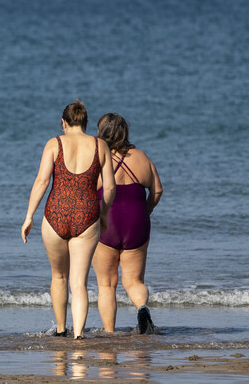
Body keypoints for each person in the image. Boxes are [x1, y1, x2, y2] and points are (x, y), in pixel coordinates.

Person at [21, 100, 115, 339]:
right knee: (79, 282)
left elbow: (42, 182)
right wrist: (103, 214)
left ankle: (61, 329)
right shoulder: (100, 145)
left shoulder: (54, 144)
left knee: (59, 276)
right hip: (87, 215)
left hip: (55, 214)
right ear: (85, 122)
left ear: (63, 122)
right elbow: (110, 188)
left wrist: (29, 216)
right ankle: (79, 335)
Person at [92, 113, 163, 334]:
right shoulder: (141, 157)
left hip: (107, 224)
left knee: (106, 284)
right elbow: (157, 190)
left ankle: (110, 332)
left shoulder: (97, 159)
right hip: (137, 222)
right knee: (133, 281)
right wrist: (147, 209)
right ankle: (142, 307)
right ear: (125, 132)